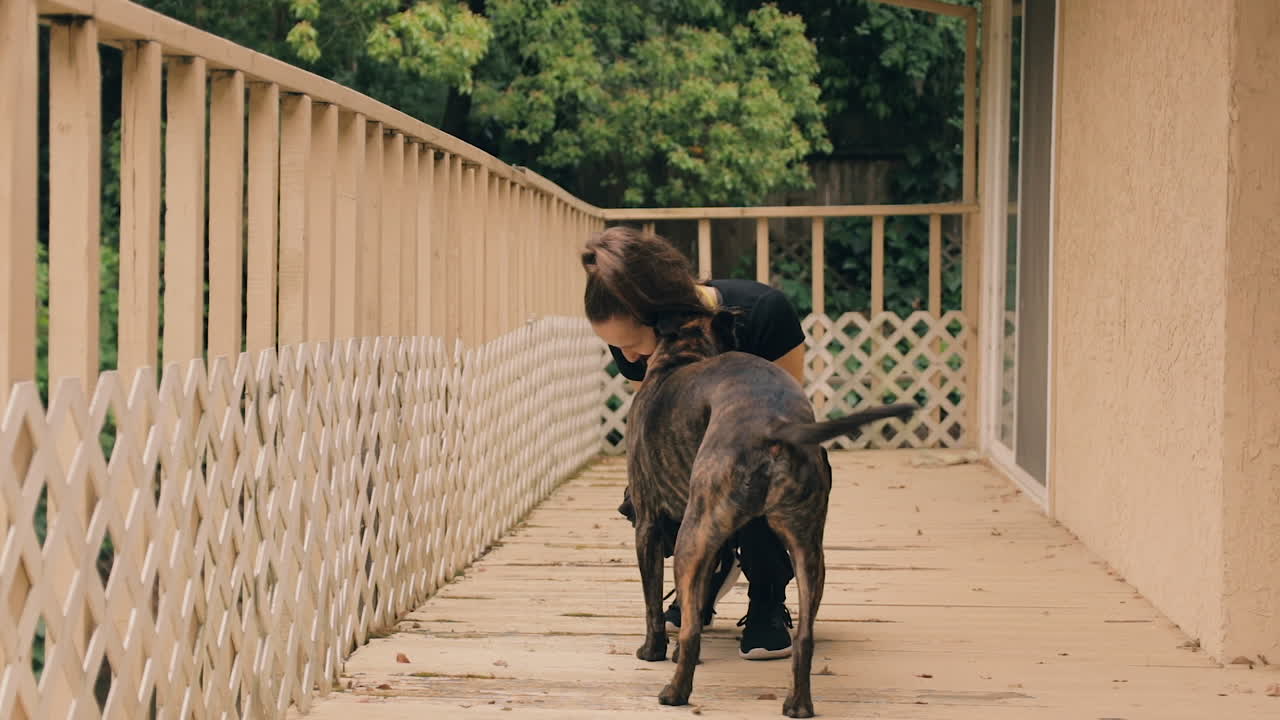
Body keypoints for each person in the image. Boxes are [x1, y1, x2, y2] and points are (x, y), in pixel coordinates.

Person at [581, 225, 810, 661]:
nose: (629, 359)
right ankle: (708, 573)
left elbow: (788, 419)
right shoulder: (633, 345)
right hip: (691, 449)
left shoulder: (765, 312)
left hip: (768, 446)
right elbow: (660, 428)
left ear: (668, 320)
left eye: (633, 345)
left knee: (754, 472)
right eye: (616, 348)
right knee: (649, 490)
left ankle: (767, 597)